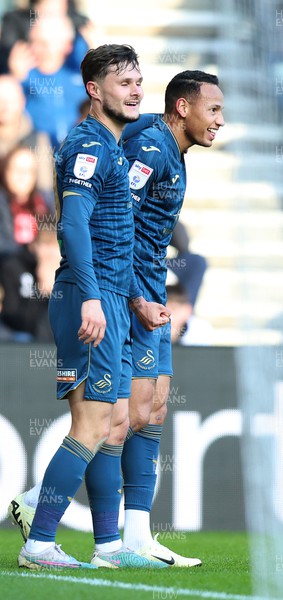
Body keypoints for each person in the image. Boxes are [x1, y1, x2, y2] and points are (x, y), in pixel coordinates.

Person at [9, 69, 224, 567]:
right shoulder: (147, 150)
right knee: (116, 418)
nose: (219, 121)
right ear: (183, 108)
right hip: (122, 289)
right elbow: (112, 218)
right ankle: (88, 531)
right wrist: (125, 294)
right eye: (212, 110)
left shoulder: (164, 146)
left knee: (148, 411)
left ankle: (127, 537)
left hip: (137, 287)